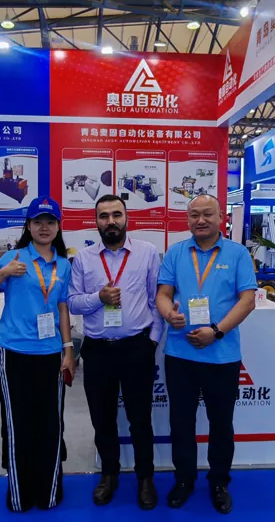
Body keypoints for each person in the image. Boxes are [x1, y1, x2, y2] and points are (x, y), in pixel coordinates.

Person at [0, 196, 76, 513]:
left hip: (51, 353)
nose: (44, 227)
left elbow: (62, 308)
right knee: (18, 423)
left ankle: (48, 491)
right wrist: (4, 272)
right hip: (15, 353)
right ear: (28, 226)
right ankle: (20, 493)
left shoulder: (63, 264)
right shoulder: (14, 258)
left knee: (50, 424)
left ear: (58, 227)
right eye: (38, 222)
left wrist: (68, 349)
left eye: (50, 222)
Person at [156, 194, 256, 515]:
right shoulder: (175, 253)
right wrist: (168, 314)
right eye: (194, 215)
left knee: (221, 423)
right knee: (181, 422)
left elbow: (247, 301)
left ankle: (219, 482)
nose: (201, 220)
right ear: (187, 219)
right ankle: (184, 479)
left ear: (221, 218)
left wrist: (217, 331)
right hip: (180, 353)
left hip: (222, 355)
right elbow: (163, 294)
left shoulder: (238, 254)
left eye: (207, 214)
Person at [68, 194, 162, 510]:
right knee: (102, 419)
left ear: (126, 218)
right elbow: (73, 302)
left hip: (137, 348)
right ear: (96, 221)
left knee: (140, 419)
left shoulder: (147, 253)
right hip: (97, 351)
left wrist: (152, 341)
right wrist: (100, 297)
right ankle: (109, 475)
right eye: (104, 215)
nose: (111, 221)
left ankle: (145, 478)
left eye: (116, 215)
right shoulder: (83, 259)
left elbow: (156, 300)